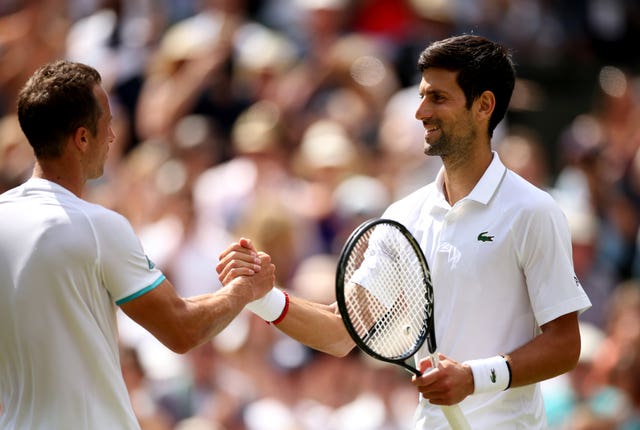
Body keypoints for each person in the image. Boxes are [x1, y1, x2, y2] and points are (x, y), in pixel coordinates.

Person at [217, 34, 592, 429]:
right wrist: (263, 297)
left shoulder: (533, 211)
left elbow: (565, 345)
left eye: (438, 98)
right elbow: (342, 330)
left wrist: (473, 378)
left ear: (484, 106)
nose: (420, 112)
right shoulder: (403, 215)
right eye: (422, 96)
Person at [0, 60, 275, 429]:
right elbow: (182, 329)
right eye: (107, 124)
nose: (113, 136)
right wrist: (244, 290)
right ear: (82, 138)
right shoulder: (99, 227)